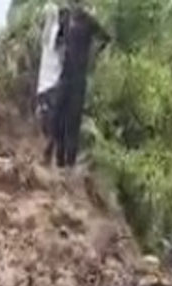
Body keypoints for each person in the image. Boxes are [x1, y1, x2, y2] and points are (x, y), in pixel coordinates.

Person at [52, 0, 107, 169]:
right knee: (56, 117)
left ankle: (70, 163)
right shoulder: (66, 18)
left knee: (73, 120)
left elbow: (106, 38)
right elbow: (57, 40)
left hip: (79, 77)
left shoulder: (89, 21)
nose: (78, 5)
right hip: (65, 75)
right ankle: (59, 159)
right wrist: (61, 53)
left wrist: (93, 57)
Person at [35, 1, 64, 164]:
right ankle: (49, 150)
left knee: (48, 119)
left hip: (48, 83)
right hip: (49, 83)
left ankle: (49, 152)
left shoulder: (52, 33)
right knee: (48, 119)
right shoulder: (51, 33)